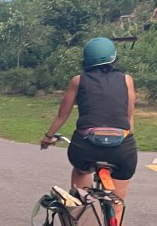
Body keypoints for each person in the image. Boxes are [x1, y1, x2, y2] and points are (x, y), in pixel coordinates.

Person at [39, 37, 137, 201]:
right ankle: (114, 222)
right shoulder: (127, 80)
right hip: (122, 149)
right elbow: (129, 118)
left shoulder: (78, 80)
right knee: (117, 204)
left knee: (81, 171)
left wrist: (48, 137)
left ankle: (83, 209)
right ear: (113, 57)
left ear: (86, 60)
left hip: (86, 147)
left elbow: (62, 115)